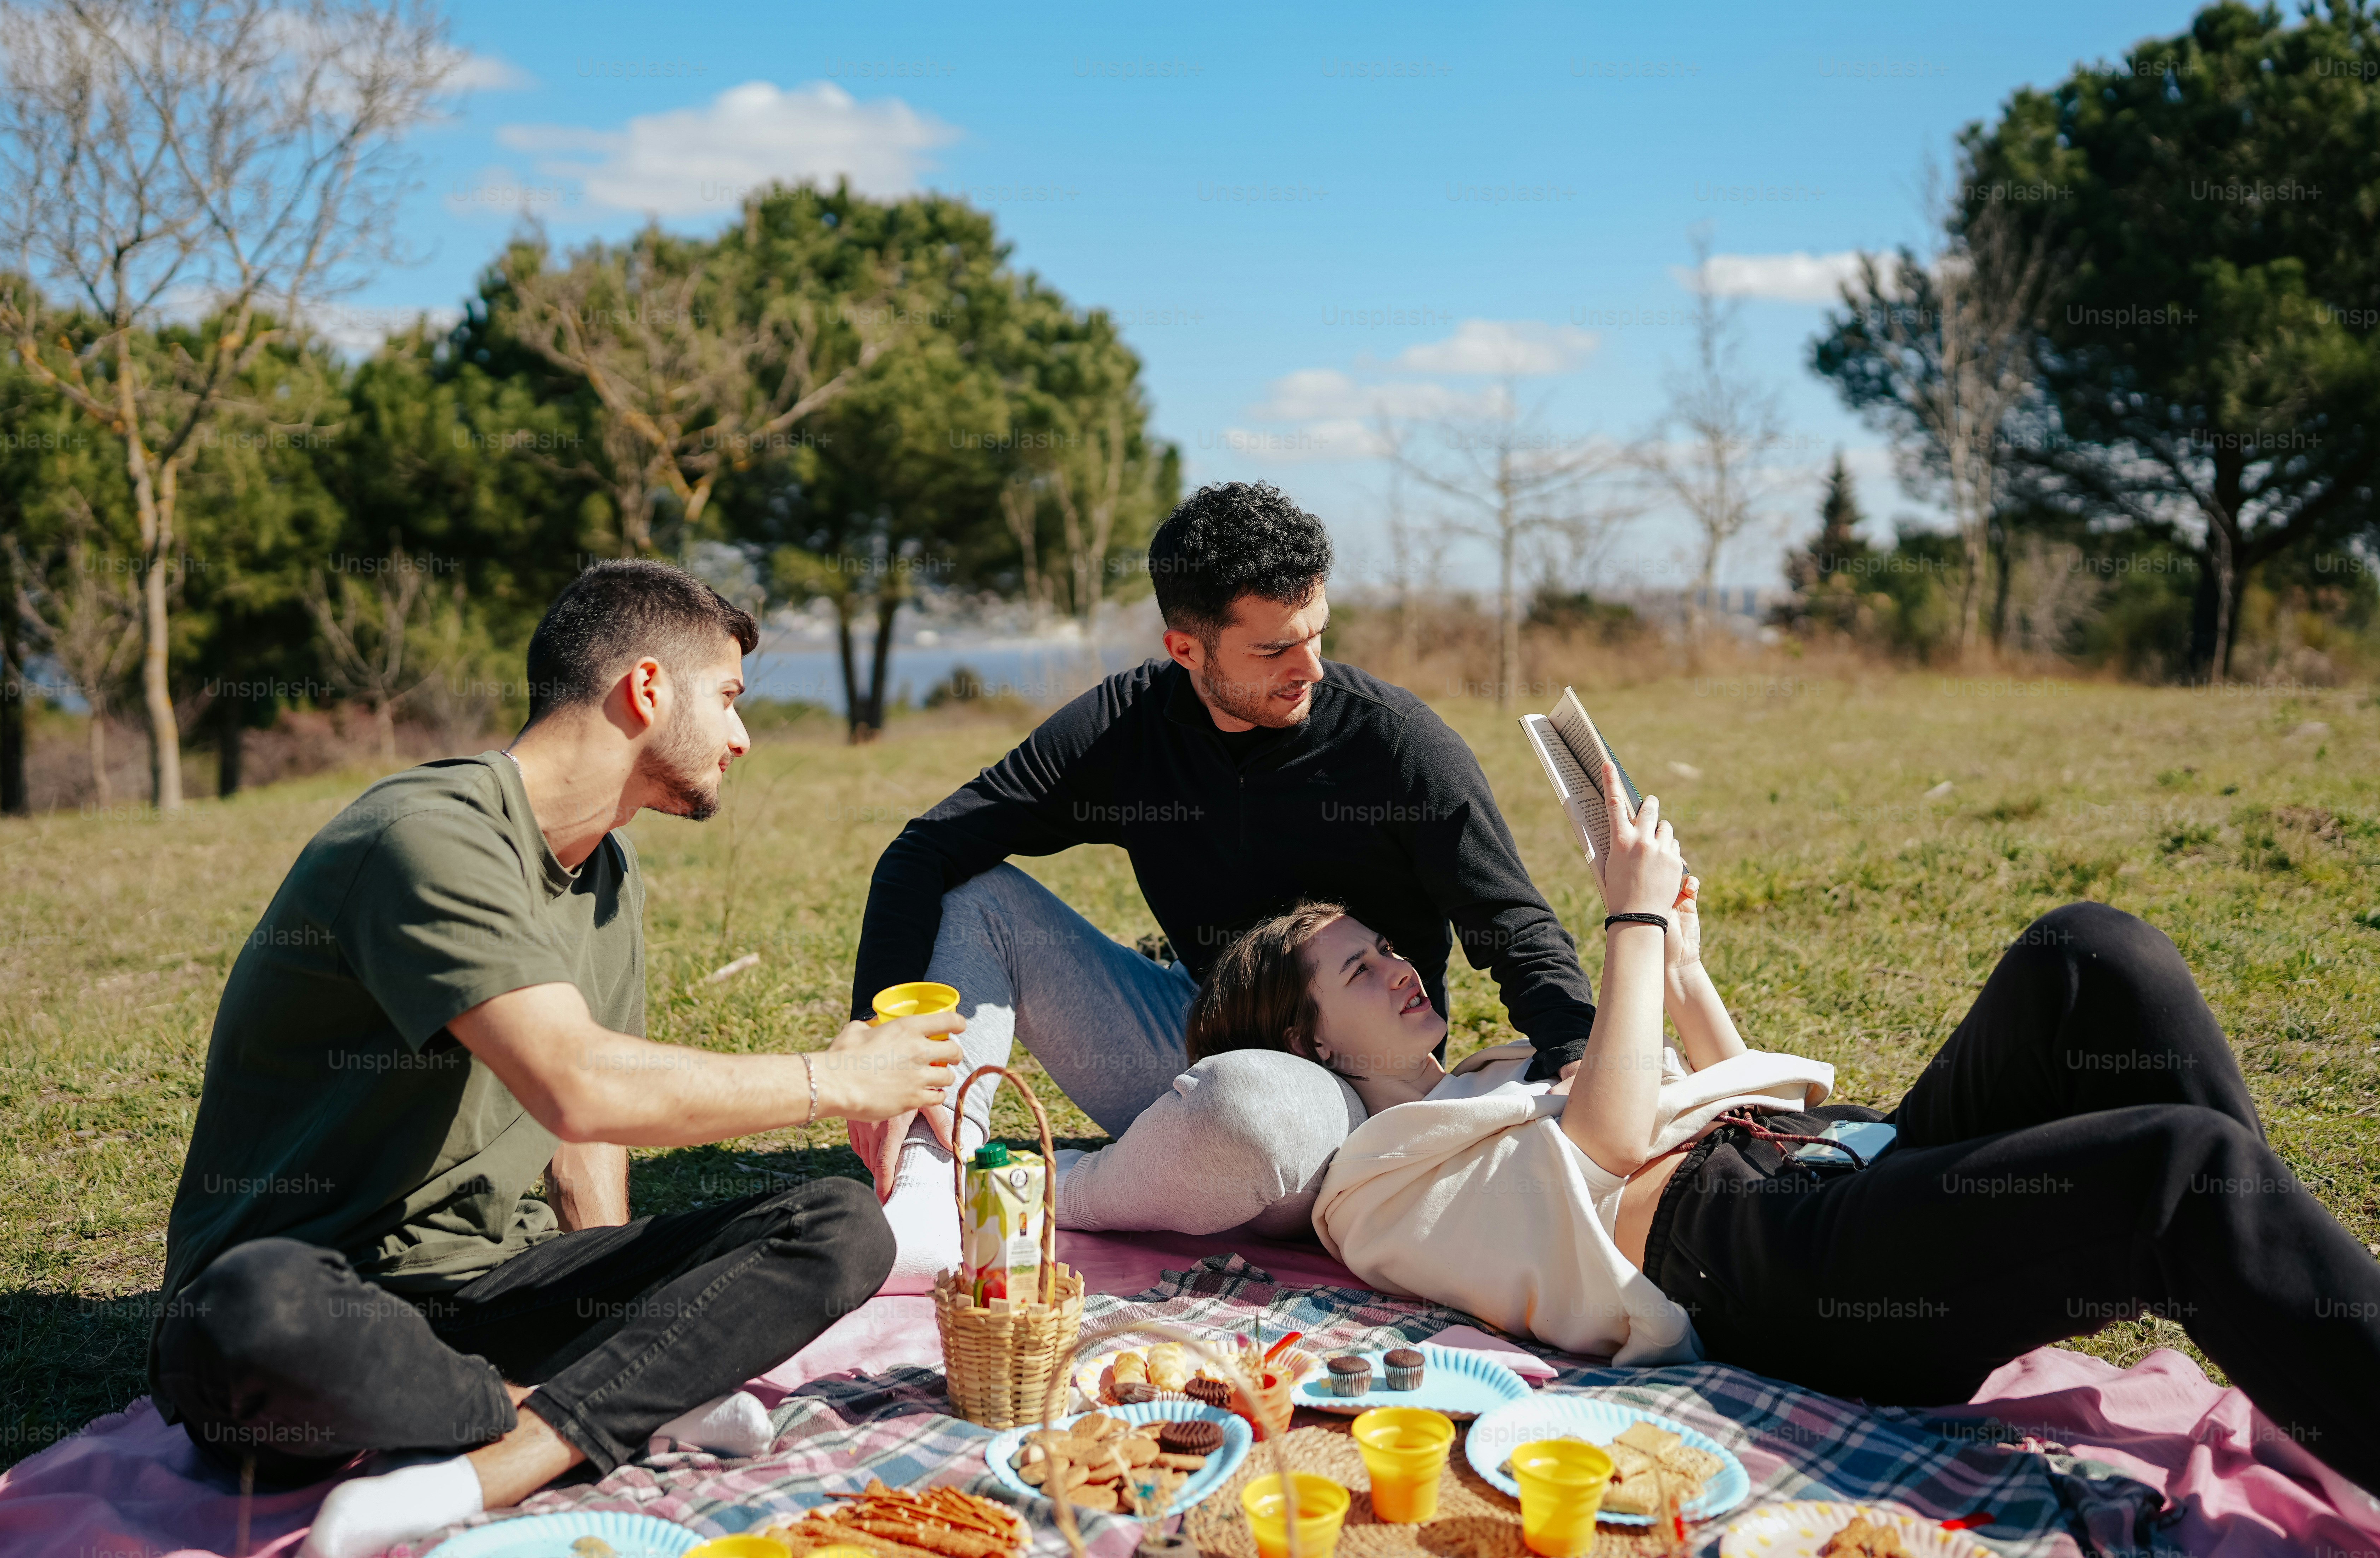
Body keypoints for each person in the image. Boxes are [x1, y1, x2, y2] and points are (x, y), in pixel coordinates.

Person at [1118, 760, 2380, 1494]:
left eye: (1385, 945)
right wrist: (1628, 924)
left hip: (1829, 1166)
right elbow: (1613, 1148)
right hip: (1782, 1271)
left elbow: (1740, 1104)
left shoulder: (1491, 1069)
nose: (1400, 965)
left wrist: (1682, 973)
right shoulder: (1367, 1185)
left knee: (2089, 955)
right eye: (1357, 970)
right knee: (2176, 1172)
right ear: (1307, 1048)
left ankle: (2307, 1333)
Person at [146, 561, 961, 1558]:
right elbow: (577, 1086)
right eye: (729, 697)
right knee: (250, 1311)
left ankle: (498, 1462)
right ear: (647, 689)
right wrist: (833, 1080)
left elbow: (589, 1139)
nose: (743, 736)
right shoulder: (426, 839)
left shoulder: (606, 868)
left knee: (837, 1223)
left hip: (496, 1288)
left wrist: (619, 1317)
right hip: (323, 1301)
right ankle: (578, 1410)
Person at [849, 482, 1600, 1285]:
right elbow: (925, 849)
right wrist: (872, 1039)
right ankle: (931, 1187)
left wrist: (1579, 1057)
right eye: (1274, 651)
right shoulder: (1126, 730)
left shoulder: (1398, 744)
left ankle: (1049, 1186)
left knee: (1256, 1115)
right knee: (974, 894)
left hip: (1345, 1085)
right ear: (1186, 650)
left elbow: (1511, 922)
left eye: (1316, 632)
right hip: (1189, 1031)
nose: (1310, 667)